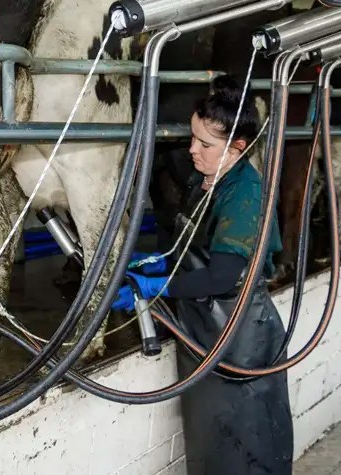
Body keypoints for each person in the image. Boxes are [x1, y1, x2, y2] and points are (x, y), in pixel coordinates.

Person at [113, 74, 294, 475]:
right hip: (205, 328)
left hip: (239, 330)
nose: (192, 150)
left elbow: (222, 278)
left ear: (237, 149)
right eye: (193, 137)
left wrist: (154, 289)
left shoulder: (243, 191)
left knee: (247, 444)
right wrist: (155, 262)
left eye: (205, 144)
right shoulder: (205, 177)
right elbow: (193, 248)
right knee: (211, 440)